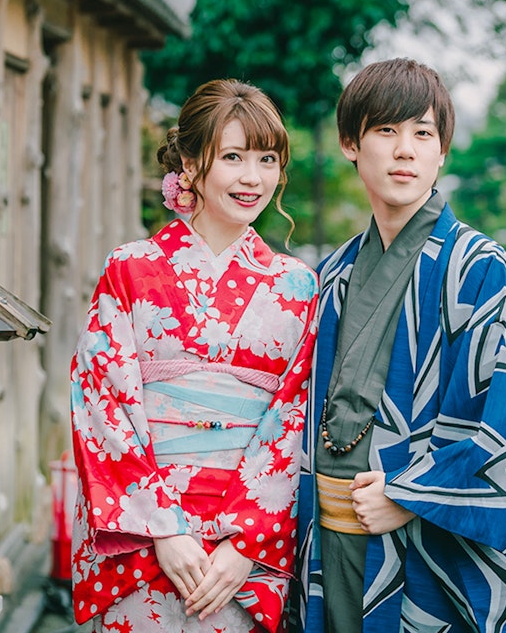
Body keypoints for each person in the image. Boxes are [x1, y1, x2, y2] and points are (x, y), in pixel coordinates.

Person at [292, 58, 506, 632]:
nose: (405, 150)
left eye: (423, 133)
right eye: (386, 131)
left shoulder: (481, 270)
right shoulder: (330, 276)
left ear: (441, 151)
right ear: (351, 143)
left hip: (420, 542)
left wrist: (412, 494)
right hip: (326, 540)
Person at [70, 79, 320, 632]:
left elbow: (294, 418)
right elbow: (101, 401)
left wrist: (246, 543)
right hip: (143, 537)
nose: (252, 177)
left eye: (267, 159)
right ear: (189, 160)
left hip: (244, 551)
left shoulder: (299, 286)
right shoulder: (130, 269)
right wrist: (163, 529)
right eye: (232, 157)